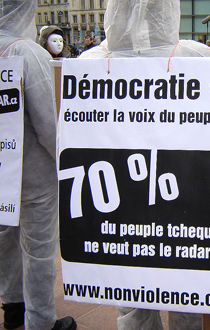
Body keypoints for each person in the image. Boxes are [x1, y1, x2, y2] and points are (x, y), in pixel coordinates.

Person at [79, 0, 210, 329]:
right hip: (184, 191)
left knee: (131, 294)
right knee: (187, 291)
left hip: (120, 198)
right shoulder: (197, 57)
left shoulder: (92, 62)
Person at [0, 1, 76, 330]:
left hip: (3, 174)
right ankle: (41, 322)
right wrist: (66, 162)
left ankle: (12, 307)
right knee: (39, 251)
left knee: (5, 240)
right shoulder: (27, 53)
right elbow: (49, 126)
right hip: (34, 178)